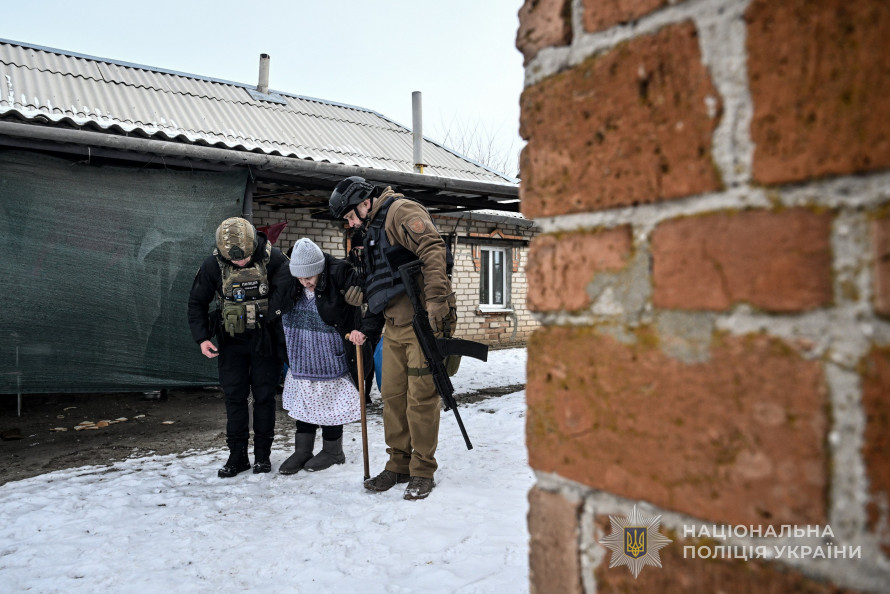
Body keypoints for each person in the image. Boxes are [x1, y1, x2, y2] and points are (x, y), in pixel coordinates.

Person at [330, 175, 456, 501]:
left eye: (349, 215)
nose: (349, 223)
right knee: (392, 397)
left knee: (420, 400)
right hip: (394, 326)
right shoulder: (372, 229)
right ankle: (398, 464)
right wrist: (367, 324)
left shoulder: (401, 211)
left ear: (363, 201)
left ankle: (422, 470)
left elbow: (432, 248)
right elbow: (381, 287)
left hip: (422, 322)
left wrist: (437, 300)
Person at [187, 216, 290, 478]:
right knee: (234, 397)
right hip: (231, 340)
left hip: (264, 339)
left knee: (265, 397)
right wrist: (202, 338)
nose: (240, 262)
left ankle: (263, 456)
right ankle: (237, 455)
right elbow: (197, 303)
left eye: (244, 258)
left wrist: (270, 316)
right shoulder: (213, 265)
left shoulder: (274, 258)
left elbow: (289, 292)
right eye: (234, 260)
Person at [278, 238, 372, 475]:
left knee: (330, 406)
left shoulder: (337, 275)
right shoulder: (291, 284)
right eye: (300, 278)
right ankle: (303, 450)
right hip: (301, 356)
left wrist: (360, 293)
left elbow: (360, 284)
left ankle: (333, 451)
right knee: (304, 403)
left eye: (309, 277)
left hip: (329, 357)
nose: (305, 282)